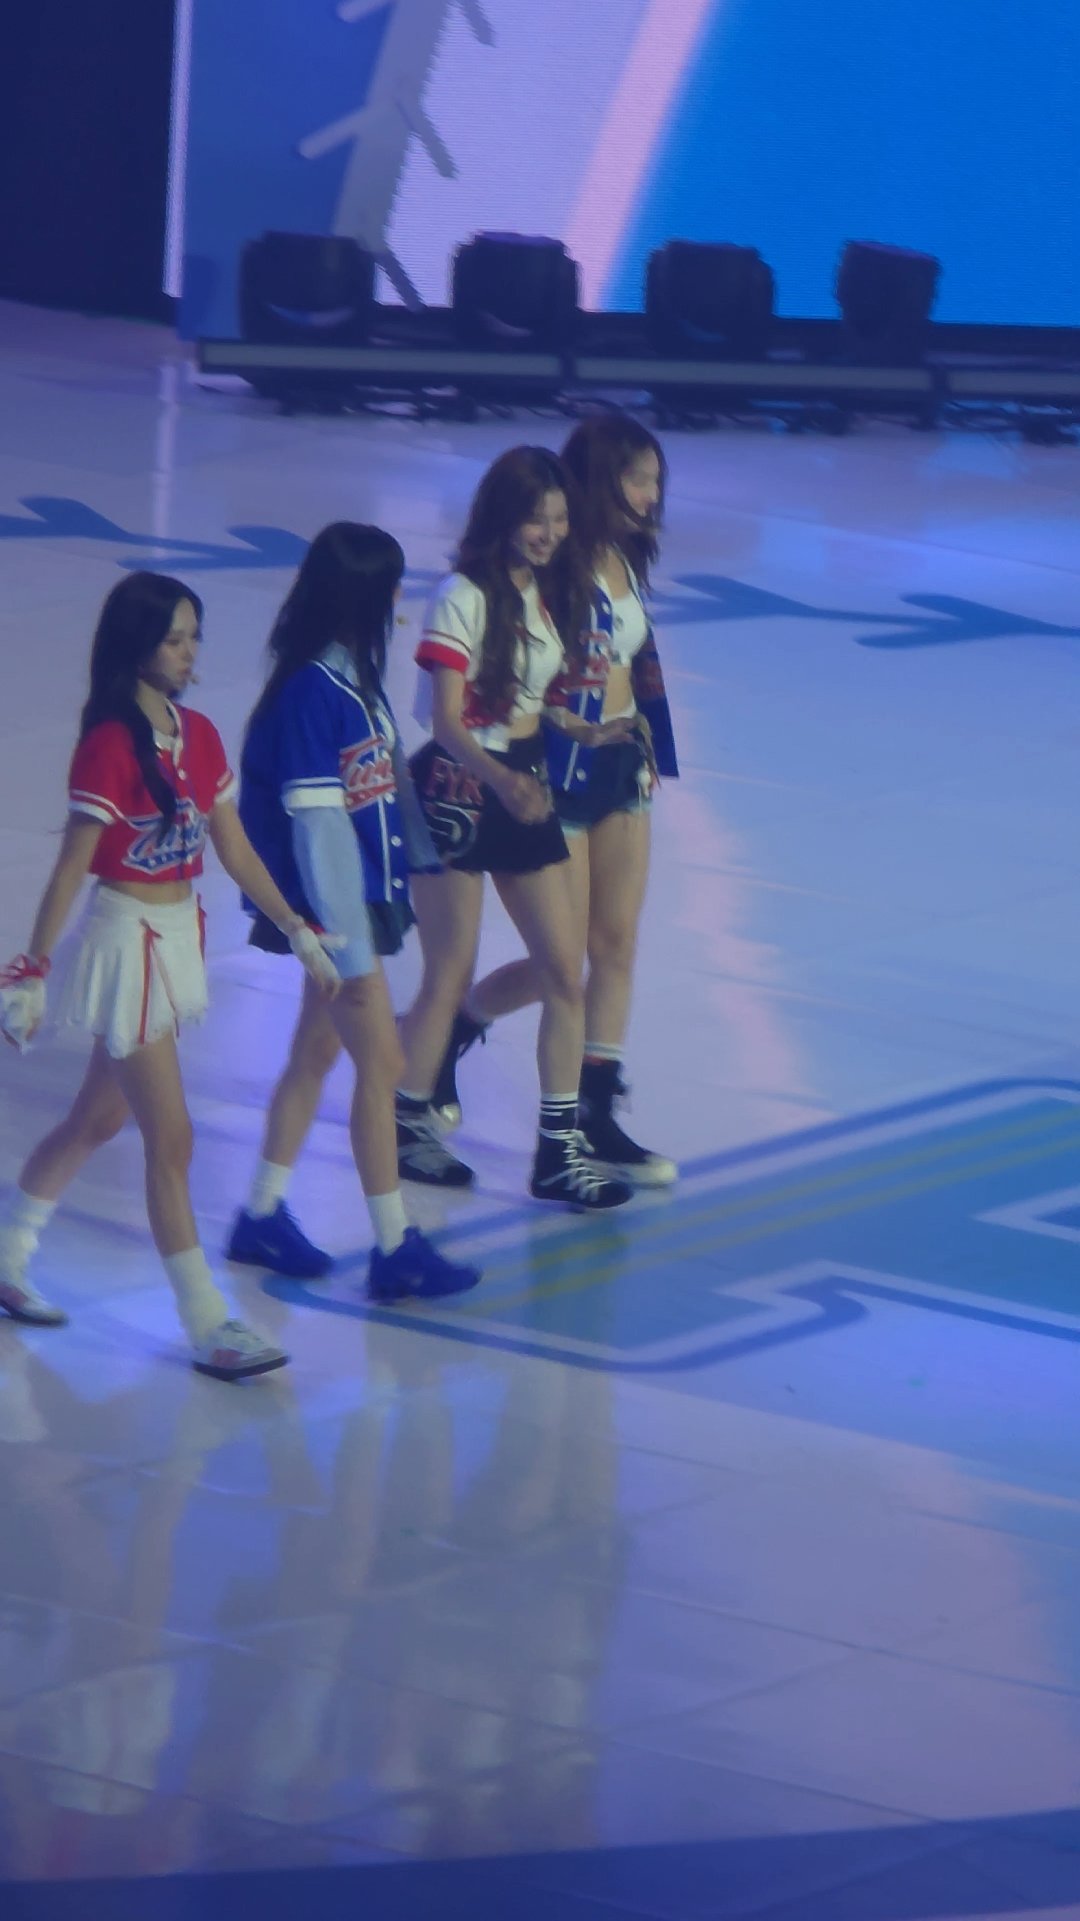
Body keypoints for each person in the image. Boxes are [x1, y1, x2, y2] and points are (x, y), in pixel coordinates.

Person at [0, 572, 342, 1379]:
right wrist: (32, 969)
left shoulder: (201, 735)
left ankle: (9, 1256)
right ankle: (207, 1321)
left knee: (95, 1120)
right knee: (172, 1137)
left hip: (177, 936)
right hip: (128, 944)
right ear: (138, 646)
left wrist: (297, 926)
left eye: (194, 637)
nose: (190, 653)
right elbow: (72, 867)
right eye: (175, 638)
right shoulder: (109, 745)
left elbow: (235, 847)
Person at [227, 522, 481, 1300]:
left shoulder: (349, 679)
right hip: (332, 917)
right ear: (364, 595)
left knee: (315, 1053)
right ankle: (394, 1244)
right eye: (391, 583)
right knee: (384, 1065)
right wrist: (341, 943)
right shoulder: (315, 691)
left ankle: (260, 1214)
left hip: (348, 909)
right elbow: (319, 830)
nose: (400, 595)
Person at [431, 414, 680, 1187]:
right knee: (559, 961)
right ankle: (456, 1028)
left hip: (622, 760)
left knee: (616, 943)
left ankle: (595, 1110)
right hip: (558, 769)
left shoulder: (626, 556)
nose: (653, 494)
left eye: (656, 479)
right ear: (602, 480)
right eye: (638, 478)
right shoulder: (552, 565)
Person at [394, 445, 634, 1210]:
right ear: (502, 517)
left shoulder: (545, 591)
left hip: (522, 779)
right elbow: (447, 719)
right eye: (538, 519)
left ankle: (557, 1152)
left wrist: (582, 730)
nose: (551, 533)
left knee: (563, 971)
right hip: (460, 787)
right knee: (449, 968)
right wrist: (500, 778)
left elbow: (530, 699)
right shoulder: (461, 595)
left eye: (560, 519)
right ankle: (405, 1119)